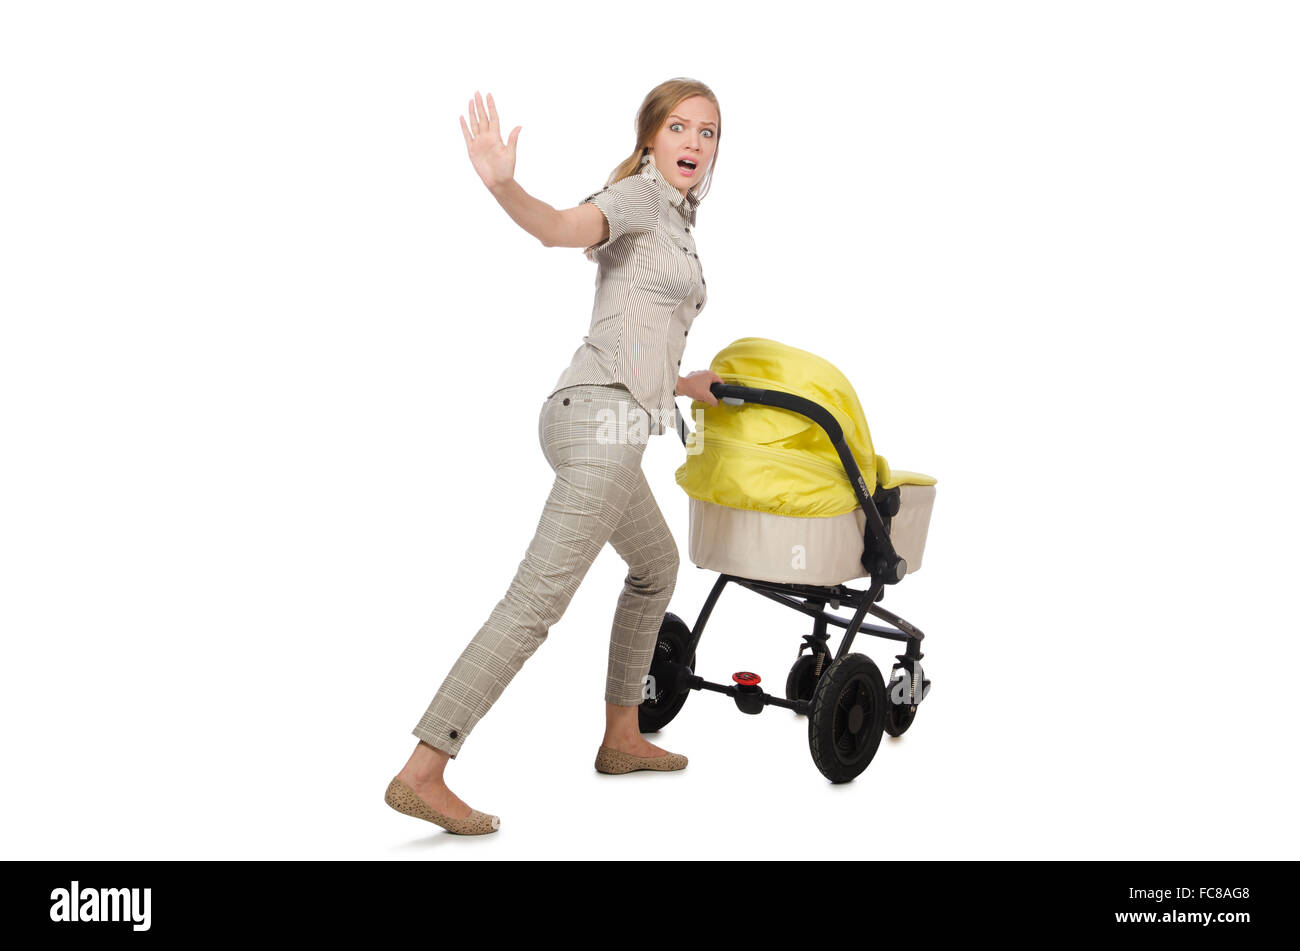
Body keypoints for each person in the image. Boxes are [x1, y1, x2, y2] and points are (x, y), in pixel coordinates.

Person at [384, 80, 724, 835]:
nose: (694, 144)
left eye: (707, 132)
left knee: (656, 566)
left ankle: (622, 734)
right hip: (600, 420)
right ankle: (424, 768)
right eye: (679, 127)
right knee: (535, 603)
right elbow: (565, 227)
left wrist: (683, 382)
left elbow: (631, 324)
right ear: (650, 138)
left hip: (605, 418)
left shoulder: (676, 221)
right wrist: (507, 185)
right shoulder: (636, 196)